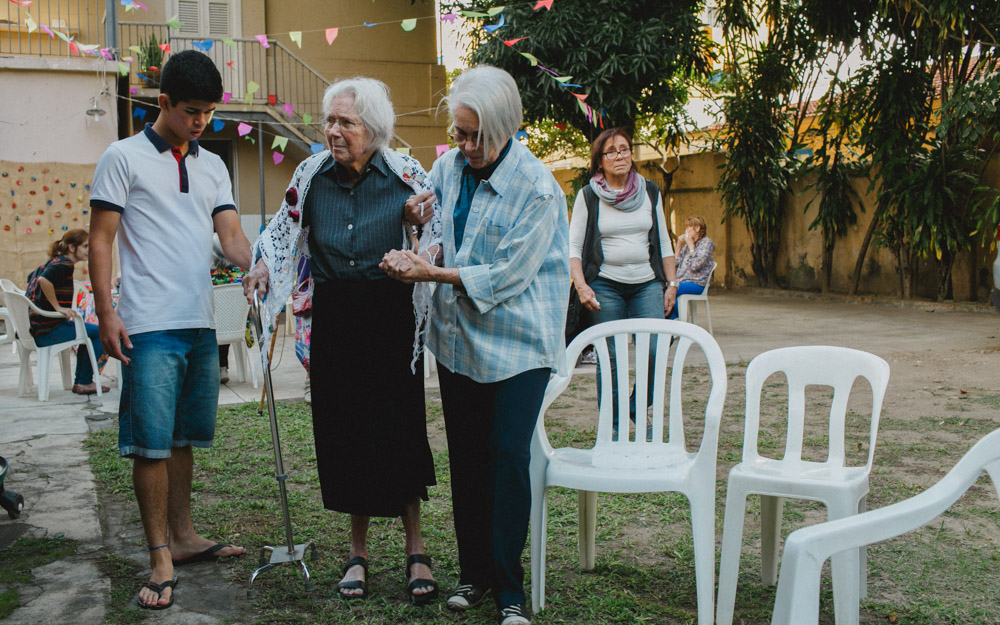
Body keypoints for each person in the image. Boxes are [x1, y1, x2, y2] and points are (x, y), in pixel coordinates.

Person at [242, 77, 444, 605]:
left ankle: (415, 549)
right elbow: (280, 231)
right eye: (329, 121)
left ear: (373, 130)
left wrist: (419, 234)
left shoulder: (406, 175)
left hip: (389, 316)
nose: (332, 131)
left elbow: (440, 238)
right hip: (336, 317)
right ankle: (358, 553)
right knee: (347, 434)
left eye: (345, 122)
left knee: (398, 431)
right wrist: (263, 266)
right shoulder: (310, 177)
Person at [381, 65, 570, 625]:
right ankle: (474, 574)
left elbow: (507, 274)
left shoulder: (538, 188)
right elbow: (431, 215)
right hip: (459, 340)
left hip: (517, 343)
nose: (464, 146)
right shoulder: (449, 165)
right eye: (459, 134)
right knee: (465, 457)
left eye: (475, 136)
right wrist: (413, 212)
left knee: (508, 455)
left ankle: (510, 589)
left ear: (508, 126)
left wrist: (428, 274)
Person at [88, 49, 250, 611]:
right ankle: (159, 553)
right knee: (150, 444)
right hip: (148, 324)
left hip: (200, 322)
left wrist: (257, 265)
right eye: (190, 111)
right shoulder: (122, 156)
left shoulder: (212, 164)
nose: (200, 122)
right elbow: (102, 239)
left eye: (207, 112)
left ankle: (183, 537)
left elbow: (229, 235)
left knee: (184, 440)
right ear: (163, 103)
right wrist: (108, 313)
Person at [567, 127, 678, 432]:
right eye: (611, 151)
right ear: (599, 161)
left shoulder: (650, 191)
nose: (619, 156)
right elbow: (573, 248)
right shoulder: (589, 195)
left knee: (655, 349)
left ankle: (635, 407)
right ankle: (614, 425)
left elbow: (664, 242)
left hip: (647, 283)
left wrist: (672, 284)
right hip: (605, 285)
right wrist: (581, 284)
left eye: (625, 149)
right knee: (612, 356)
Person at [27, 229, 108, 395]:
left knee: (89, 332)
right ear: (72, 247)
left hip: (42, 327)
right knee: (99, 333)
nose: (89, 250)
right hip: (49, 330)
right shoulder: (64, 264)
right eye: (85, 246)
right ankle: (84, 382)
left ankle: (82, 381)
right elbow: (43, 280)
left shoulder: (56, 261)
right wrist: (58, 308)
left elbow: (31, 276)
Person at [668, 216, 715, 320]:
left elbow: (695, 266)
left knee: (672, 290)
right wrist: (678, 247)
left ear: (698, 228)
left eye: (689, 228)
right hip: (682, 281)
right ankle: (673, 318)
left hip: (697, 284)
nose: (686, 231)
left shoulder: (706, 243)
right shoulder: (687, 246)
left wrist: (691, 247)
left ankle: (675, 318)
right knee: (666, 288)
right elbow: (675, 266)